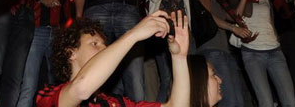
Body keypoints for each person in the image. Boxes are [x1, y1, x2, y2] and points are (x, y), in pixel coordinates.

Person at [37, 10, 190, 107]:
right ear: (71, 53)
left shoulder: (116, 102)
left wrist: (179, 58)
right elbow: (81, 89)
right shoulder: (48, 96)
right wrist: (133, 34)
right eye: (94, 43)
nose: (104, 49)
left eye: (105, 45)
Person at [235, 0, 295, 107]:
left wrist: (276, 38)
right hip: (253, 53)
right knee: (266, 102)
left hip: (275, 51)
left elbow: (271, 20)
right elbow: (237, 17)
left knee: (290, 101)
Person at [144, 0, 193, 101]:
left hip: (181, 29)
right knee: (168, 78)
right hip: (163, 30)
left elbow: (183, 3)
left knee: (185, 77)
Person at [194, 0, 251, 107]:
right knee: (229, 100)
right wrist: (233, 29)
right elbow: (207, 15)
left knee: (237, 100)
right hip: (212, 49)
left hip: (223, 50)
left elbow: (234, 16)